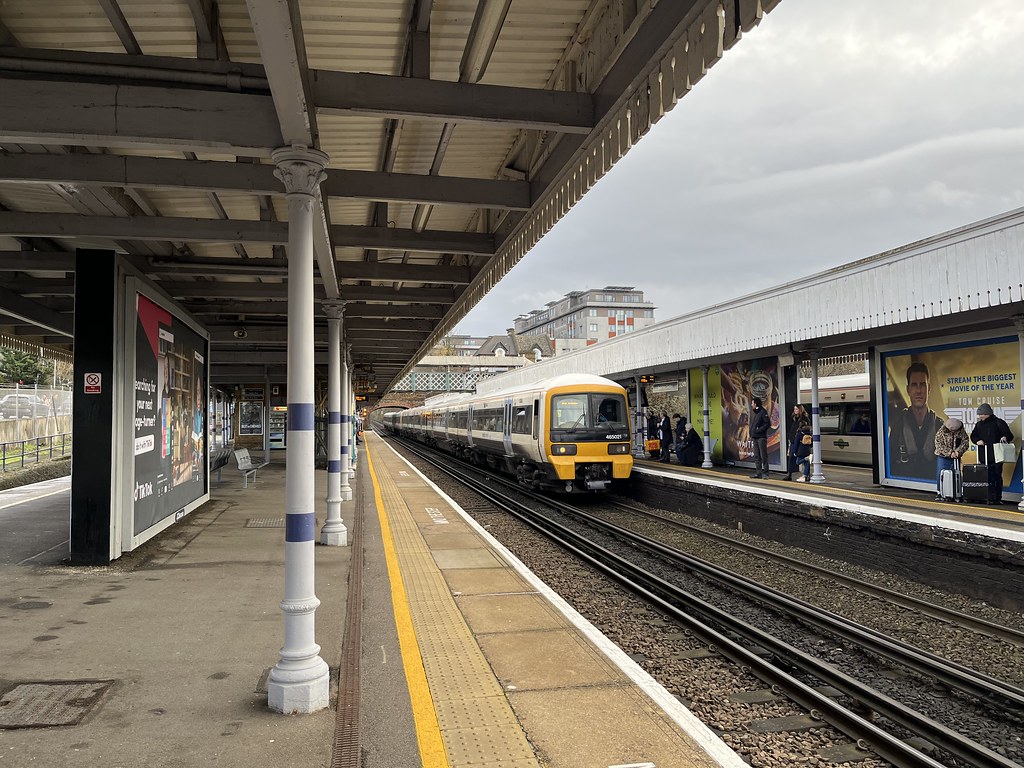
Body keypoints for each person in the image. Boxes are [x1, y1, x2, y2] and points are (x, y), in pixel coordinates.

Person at [890, 361, 943, 481]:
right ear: (908, 389)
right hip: (905, 487)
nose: (918, 391)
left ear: (929, 388)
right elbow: (891, 460)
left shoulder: (940, 425)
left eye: (922, 385)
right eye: (914, 385)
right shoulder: (898, 426)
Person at [969, 403, 1014, 504]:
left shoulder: (999, 423)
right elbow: (973, 436)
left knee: (997, 476)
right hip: (983, 455)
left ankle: (997, 498)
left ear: (987, 413)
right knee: (985, 477)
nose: (980, 416)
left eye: (981, 414)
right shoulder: (979, 425)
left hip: (997, 456)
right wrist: (977, 441)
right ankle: (986, 497)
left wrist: (1005, 437)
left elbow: (1009, 435)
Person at [933, 417, 970, 501]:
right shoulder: (941, 432)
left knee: (956, 474)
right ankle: (940, 492)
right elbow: (939, 445)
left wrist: (958, 452)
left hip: (956, 457)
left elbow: (965, 442)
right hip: (943, 456)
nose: (953, 432)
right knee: (941, 473)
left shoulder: (961, 432)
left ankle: (956, 492)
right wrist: (950, 453)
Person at [783, 404, 810, 481]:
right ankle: (789, 474)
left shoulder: (804, 419)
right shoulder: (794, 418)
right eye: (794, 409)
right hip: (793, 441)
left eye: (796, 409)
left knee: (800, 458)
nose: (795, 411)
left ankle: (806, 474)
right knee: (791, 457)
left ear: (800, 410)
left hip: (801, 441)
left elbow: (807, 429)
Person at [749, 396, 771, 478]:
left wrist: (758, 430)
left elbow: (767, 423)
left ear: (755, 403)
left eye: (752, 403)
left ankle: (766, 473)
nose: (751, 405)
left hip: (761, 437)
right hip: (755, 437)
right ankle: (759, 473)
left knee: (763, 455)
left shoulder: (762, 412)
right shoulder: (756, 412)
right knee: (756, 456)